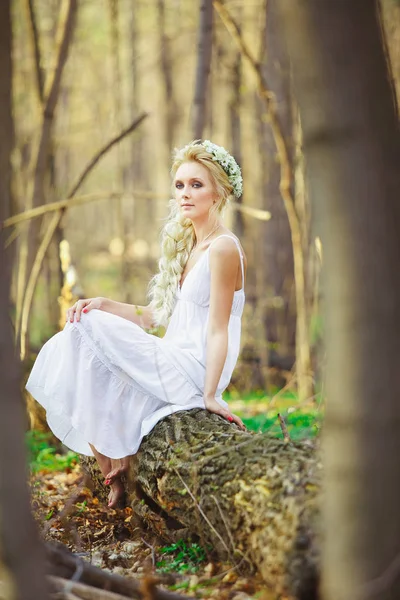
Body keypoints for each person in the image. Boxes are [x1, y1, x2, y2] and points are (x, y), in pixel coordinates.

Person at [26, 139, 247, 508]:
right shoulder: (190, 243)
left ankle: (116, 460)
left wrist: (210, 395)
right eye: (180, 185)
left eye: (197, 185)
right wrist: (104, 303)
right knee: (85, 322)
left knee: (86, 331)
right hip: (171, 356)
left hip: (195, 368)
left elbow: (219, 328)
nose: (185, 194)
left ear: (219, 192)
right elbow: (155, 316)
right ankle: (112, 462)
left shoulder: (224, 248)